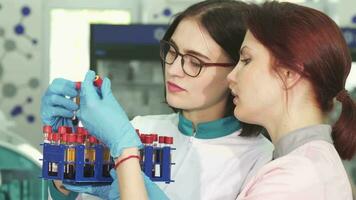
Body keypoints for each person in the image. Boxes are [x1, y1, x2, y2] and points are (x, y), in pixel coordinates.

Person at [41, 1, 273, 199]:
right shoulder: (140, 128)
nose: (173, 69)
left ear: (236, 71)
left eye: (195, 62)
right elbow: (78, 194)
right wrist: (64, 156)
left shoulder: (261, 161)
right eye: (172, 51)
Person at [226, 2, 356, 199]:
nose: (231, 76)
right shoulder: (305, 164)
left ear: (289, 73)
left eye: (246, 60)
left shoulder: (293, 179)